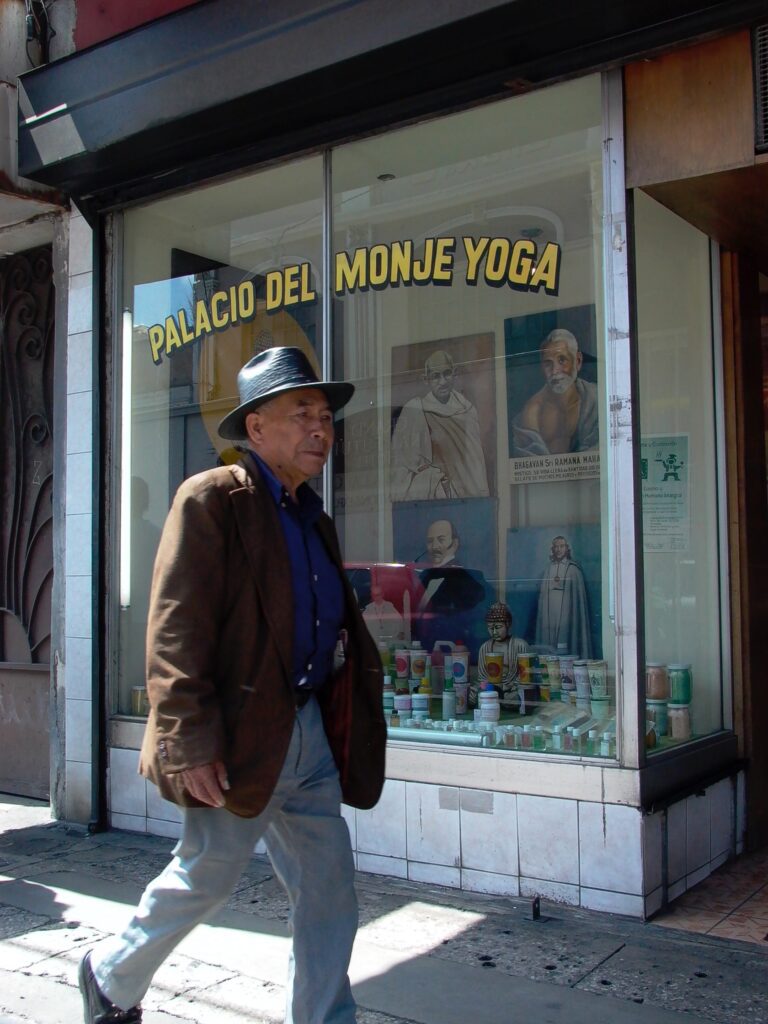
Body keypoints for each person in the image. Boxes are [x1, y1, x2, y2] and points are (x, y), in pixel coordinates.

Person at [78, 347, 386, 1024]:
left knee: (329, 889)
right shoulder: (213, 500)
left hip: (306, 734)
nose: (321, 429)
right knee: (205, 877)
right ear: (256, 430)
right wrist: (187, 739)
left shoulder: (313, 518)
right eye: (302, 413)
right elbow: (174, 627)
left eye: (327, 417)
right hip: (239, 735)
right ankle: (109, 976)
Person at [390, 349, 490, 499]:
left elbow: (476, 465)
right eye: (436, 376)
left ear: (455, 374)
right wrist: (433, 478)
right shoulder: (416, 410)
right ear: (426, 380)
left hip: (468, 498)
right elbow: (403, 467)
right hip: (436, 496)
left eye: (447, 373)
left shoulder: (468, 411)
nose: (442, 381)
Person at [512, 328, 598, 457]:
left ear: (578, 361)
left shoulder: (596, 399)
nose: (555, 371)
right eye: (548, 364)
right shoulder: (532, 412)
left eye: (562, 360)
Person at [414, 519, 486, 655]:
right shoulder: (423, 577)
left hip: (454, 657)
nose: (434, 546)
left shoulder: (467, 581)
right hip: (423, 657)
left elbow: (471, 623)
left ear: (455, 544)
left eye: (441, 540)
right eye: (430, 541)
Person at [534, 534, 592, 660]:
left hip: (567, 612)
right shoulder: (548, 569)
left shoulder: (573, 569)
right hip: (549, 613)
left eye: (562, 546)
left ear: (567, 548)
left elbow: (577, 600)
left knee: (565, 636)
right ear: (553, 549)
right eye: (556, 547)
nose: (559, 549)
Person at [474, 602, 530, 704]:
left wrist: (509, 687)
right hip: (491, 688)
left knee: (516, 697)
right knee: (472, 695)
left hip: (512, 688)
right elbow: (482, 677)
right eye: (490, 628)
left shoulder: (520, 645)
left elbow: (524, 675)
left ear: (508, 624)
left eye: (498, 627)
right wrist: (485, 687)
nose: (494, 632)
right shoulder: (485, 647)